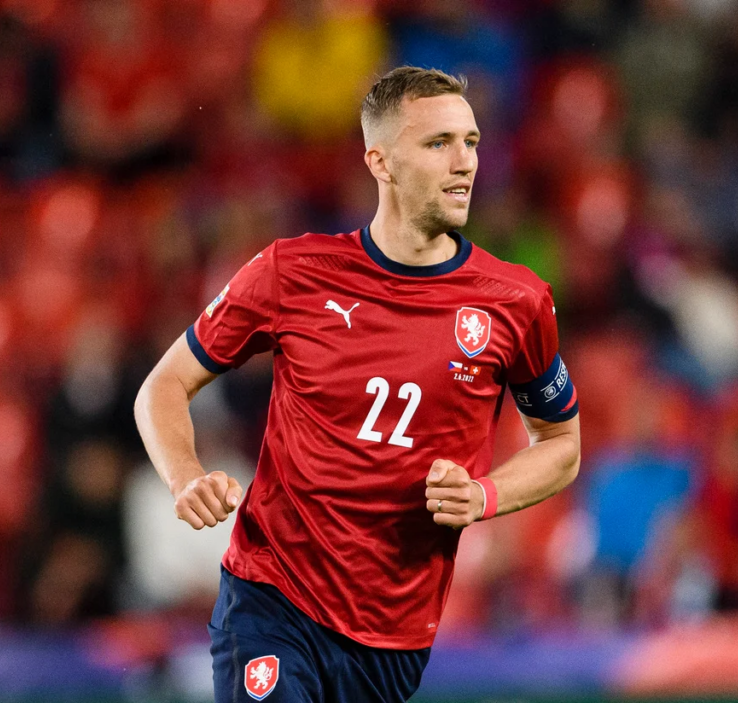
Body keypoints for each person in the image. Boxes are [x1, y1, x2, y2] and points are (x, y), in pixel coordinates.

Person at [134, 66, 581, 702]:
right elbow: (163, 385)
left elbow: (561, 444)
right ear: (381, 161)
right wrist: (186, 476)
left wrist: (484, 495)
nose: (464, 163)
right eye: (438, 143)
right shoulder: (292, 272)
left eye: (471, 142)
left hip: (394, 636)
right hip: (273, 597)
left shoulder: (516, 301)